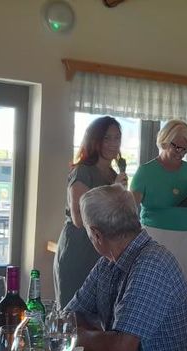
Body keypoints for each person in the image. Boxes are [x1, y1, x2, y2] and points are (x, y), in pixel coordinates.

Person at [66, 184, 187, 351]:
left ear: (96, 235)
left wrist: (79, 336)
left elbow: (121, 347)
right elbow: (70, 314)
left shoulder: (152, 263)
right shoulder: (108, 263)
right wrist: (103, 341)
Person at [129, 120, 187, 295]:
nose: (181, 153)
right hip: (154, 237)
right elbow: (128, 210)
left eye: (185, 149)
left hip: (183, 238)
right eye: (177, 147)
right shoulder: (146, 172)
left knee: (184, 291)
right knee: (152, 290)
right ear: (164, 141)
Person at [54, 116, 128, 307]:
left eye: (117, 138)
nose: (113, 143)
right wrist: (112, 190)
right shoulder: (82, 171)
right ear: (95, 140)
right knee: (73, 314)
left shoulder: (113, 175)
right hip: (80, 249)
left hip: (105, 251)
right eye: (107, 138)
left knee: (102, 315)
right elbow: (79, 219)